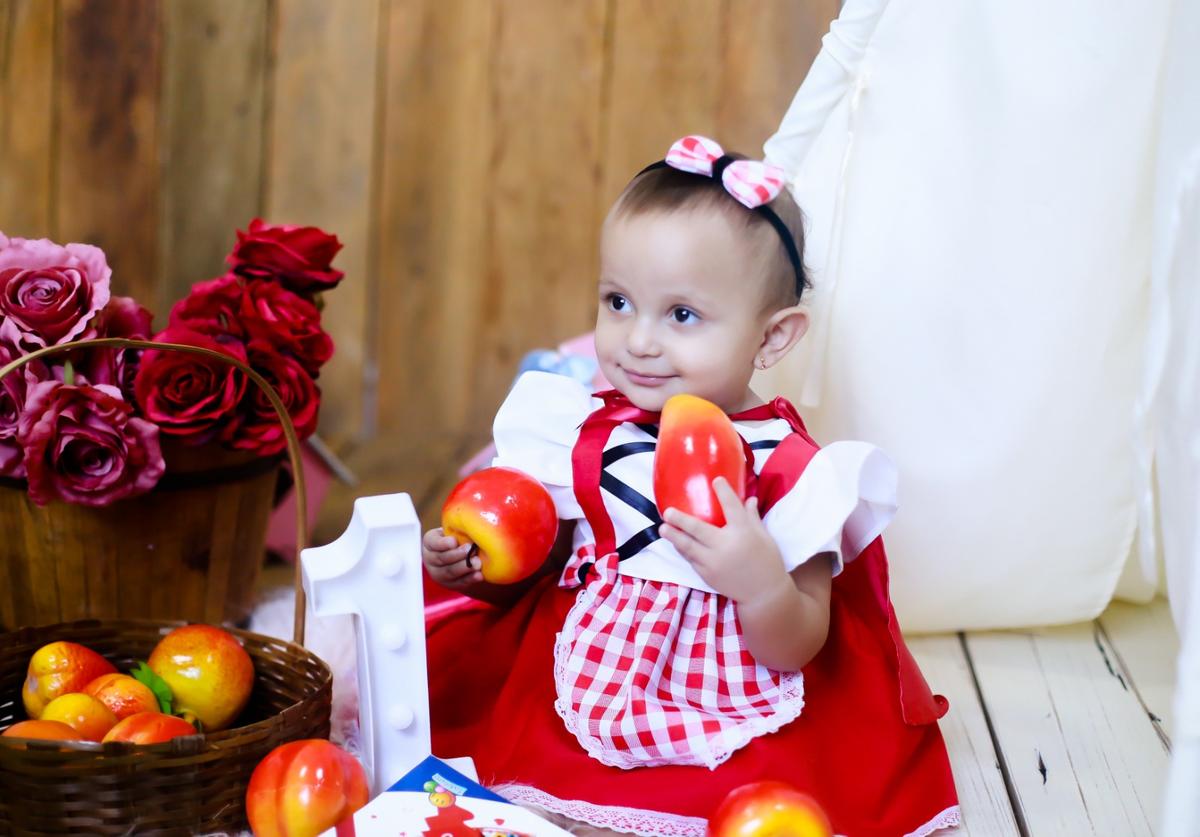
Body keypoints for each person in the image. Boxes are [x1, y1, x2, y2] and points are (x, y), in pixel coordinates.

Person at [422, 135, 959, 837]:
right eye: (618, 301)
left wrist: (761, 581)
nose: (637, 339)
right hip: (588, 675)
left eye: (681, 315)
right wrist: (479, 570)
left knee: (724, 806)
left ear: (771, 340)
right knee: (526, 799)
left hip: (721, 694)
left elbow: (798, 643)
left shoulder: (786, 466)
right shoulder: (584, 433)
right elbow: (551, 568)